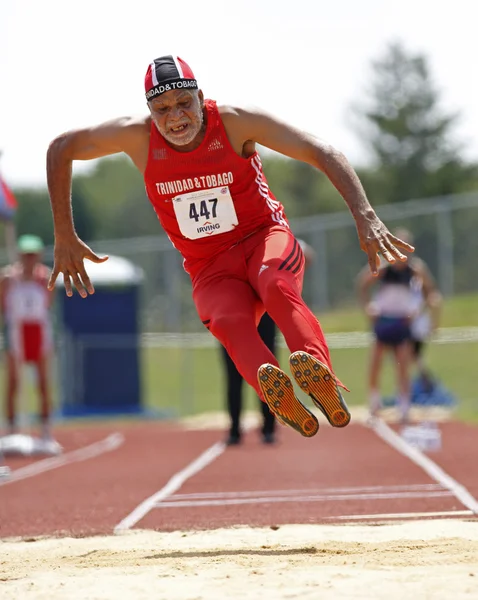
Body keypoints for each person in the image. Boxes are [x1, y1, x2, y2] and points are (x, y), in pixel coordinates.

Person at [46, 55, 413, 439]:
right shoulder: (136, 136)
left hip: (263, 238)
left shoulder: (236, 121)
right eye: (162, 109)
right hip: (209, 265)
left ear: (200, 96)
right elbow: (60, 148)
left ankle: (316, 371)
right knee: (228, 322)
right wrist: (64, 234)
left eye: (184, 103)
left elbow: (321, 150)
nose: (175, 118)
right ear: (149, 111)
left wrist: (364, 213)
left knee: (274, 284)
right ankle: (278, 395)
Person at [223, 239, 315, 446]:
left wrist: (290, 275)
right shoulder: (227, 246)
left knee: (269, 373)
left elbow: (306, 253)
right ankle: (235, 429)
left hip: (262, 314)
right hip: (234, 316)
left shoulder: (267, 243)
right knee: (233, 375)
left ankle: (268, 429)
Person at [356, 228, 441, 422]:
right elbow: (362, 283)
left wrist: (418, 313)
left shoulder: (416, 269)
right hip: (384, 320)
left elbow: (431, 293)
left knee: (403, 364)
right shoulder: (385, 268)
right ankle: (374, 402)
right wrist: (368, 307)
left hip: (403, 321)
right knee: (376, 363)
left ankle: (404, 406)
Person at [0, 235, 60, 450]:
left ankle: (45, 430)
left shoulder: (45, 278)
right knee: (13, 383)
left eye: (32, 255)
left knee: (43, 383)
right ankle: (12, 429)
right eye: (25, 255)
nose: (29, 259)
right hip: (16, 331)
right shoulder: (8, 278)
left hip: (38, 331)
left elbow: (48, 305)